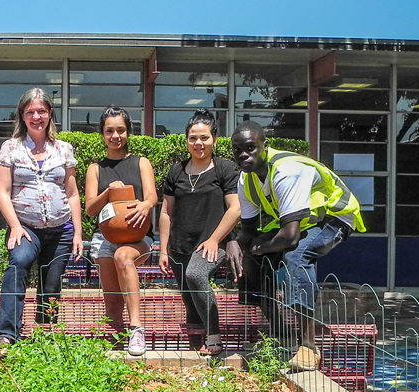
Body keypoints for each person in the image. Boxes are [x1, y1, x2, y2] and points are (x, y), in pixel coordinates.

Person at [229, 120, 365, 371]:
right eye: (237, 150)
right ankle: (282, 335)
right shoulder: (245, 180)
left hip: (333, 217)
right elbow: (248, 232)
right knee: (250, 257)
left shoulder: (286, 171)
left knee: (297, 256)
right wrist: (235, 245)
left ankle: (308, 348)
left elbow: (290, 238)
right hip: (301, 222)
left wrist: (259, 247)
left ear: (264, 146)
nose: (243, 154)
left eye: (250, 147)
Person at [0, 88, 84, 351]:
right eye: (30, 112)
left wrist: (78, 233)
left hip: (60, 229)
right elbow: (2, 191)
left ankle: (45, 336)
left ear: (50, 113)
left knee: (51, 283)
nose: (36, 117)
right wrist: (14, 226)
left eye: (41, 111)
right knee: (18, 263)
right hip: (26, 228)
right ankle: (6, 334)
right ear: (22, 115)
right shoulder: (11, 148)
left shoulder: (63, 149)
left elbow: (73, 192)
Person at [158, 109, 241, 356]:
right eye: (193, 138)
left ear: (214, 139)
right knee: (191, 302)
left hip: (214, 243)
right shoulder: (176, 171)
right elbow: (165, 212)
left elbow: (235, 208)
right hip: (180, 246)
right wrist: (163, 249)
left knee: (196, 275)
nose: (199, 143)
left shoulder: (225, 169)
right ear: (187, 141)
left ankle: (214, 337)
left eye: (204, 137)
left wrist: (215, 239)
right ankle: (197, 355)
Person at [84, 106, 158, 356]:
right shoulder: (96, 168)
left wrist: (144, 205)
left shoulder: (141, 162)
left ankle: (136, 328)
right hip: (106, 238)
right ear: (102, 134)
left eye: (121, 130)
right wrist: (108, 193)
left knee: (123, 257)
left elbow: (151, 197)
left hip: (139, 236)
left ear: (128, 132)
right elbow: (90, 209)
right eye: (109, 131)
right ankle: (114, 343)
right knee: (112, 298)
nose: (115, 136)